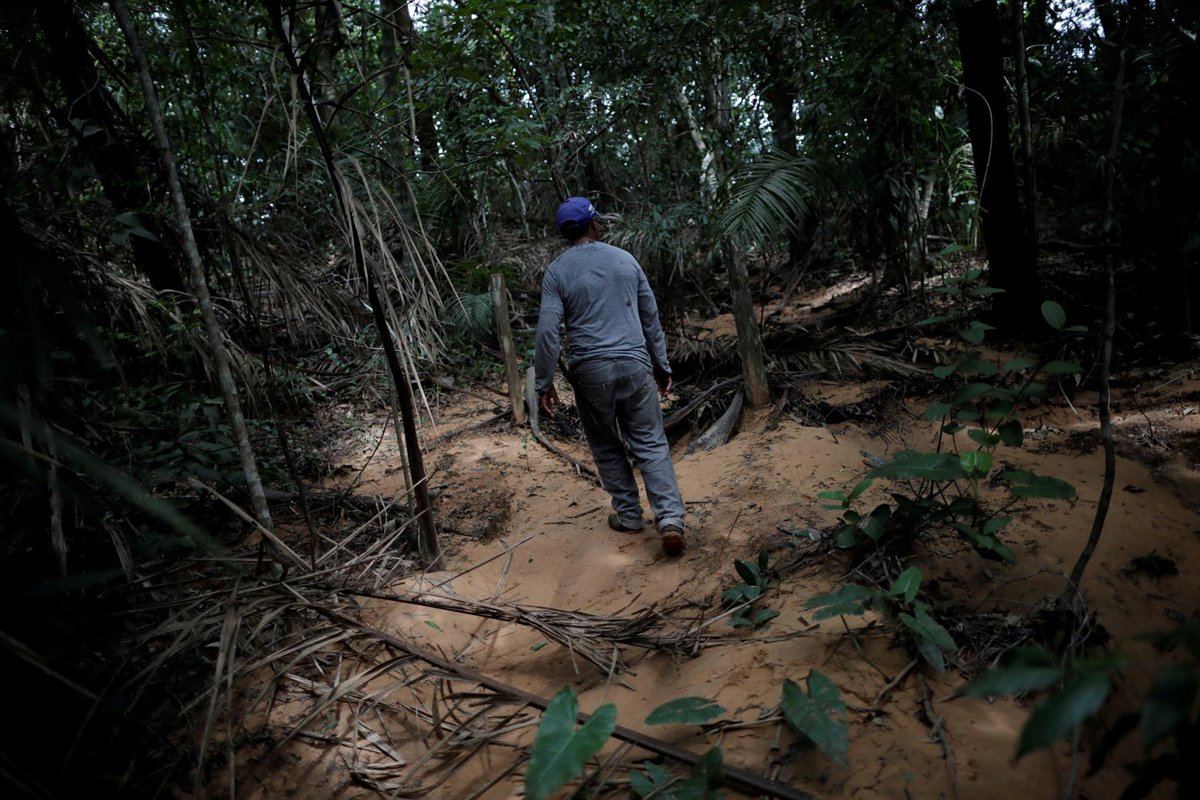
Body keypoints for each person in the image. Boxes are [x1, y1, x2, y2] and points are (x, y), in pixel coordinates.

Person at [534, 197, 687, 556]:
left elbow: (548, 332)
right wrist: (662, 365)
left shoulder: (557, 271)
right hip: (635, 364)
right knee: (650, 442)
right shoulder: (625, 260)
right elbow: (650, 318)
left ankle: (630, 516)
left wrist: (544, 383)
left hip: (591, 372)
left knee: (605, 443)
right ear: (594, 224)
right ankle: (669, 519)